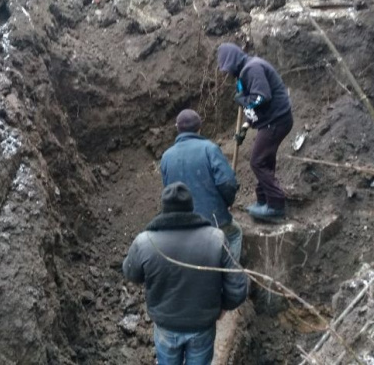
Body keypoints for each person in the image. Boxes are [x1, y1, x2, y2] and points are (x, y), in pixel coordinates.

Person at [122, 182, 248, 365]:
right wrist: (222, 307)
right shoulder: (215, 238)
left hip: (166, 326)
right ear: (191, 207)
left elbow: (130, 273)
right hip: (202, 326)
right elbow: (238, 287)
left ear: (164, 209)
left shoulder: (145, 242)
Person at [217, 42, 294, 221]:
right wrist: (246, 126)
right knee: (265, 160)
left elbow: (262, 97)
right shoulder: (245, 71)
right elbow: (255, 105)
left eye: (227, 68)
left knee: (257, 162)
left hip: (277, 121)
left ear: (232, 61)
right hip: (272, 120)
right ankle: (263, 200)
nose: (227, 73)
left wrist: (243, 100)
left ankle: (275, 205)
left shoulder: (252, 68)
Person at [160, 109, 243, 262]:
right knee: (234, 234)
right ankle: (231, 277)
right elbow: (228, 183)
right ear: (199, 128)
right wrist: (227, 203)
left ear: (177, 129)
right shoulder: (209, 149)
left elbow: (168, 193)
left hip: (181, 225)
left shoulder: (166, 157)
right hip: (213, 221)